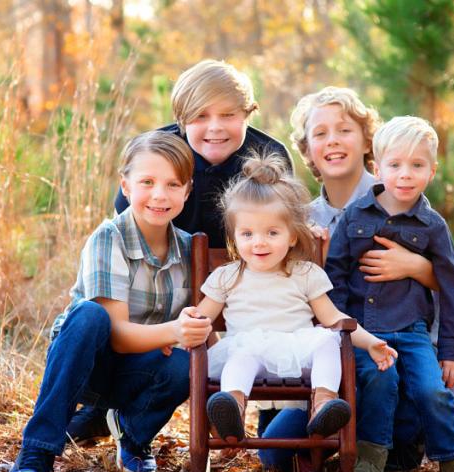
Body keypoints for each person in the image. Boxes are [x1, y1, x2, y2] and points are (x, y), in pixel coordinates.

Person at [69, 59, 293, 445]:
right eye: (201, 116)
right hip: (169, 280)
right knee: (132, 309)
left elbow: (285, 221)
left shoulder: (269, 153)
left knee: (279, 302)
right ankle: (110, 403)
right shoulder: (161, 152)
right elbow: (128, 233)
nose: (215, 127)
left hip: (245, 276)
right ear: (181, 118)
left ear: (248, 114)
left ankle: (272, 409)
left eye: (228, 115)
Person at [0, 131, 211, 472]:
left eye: (173, 184)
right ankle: (36, 457)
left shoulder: (192, 250)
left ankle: (132, 436)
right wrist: (173, 332)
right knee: (89, 316)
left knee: (183, 364)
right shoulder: (108, 238)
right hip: (85, 366)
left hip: (137, 374)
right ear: (125, 186)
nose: (160, 194)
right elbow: (115, 333)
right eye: (147, 182)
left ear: (187, 190)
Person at [259, 86, 440, 472]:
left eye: (344, 130)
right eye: (320, 134)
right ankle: (334, 427)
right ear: (307, 151)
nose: (333, 141)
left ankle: (385, 436)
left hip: (393, 361)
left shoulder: (400, 196)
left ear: (367, 142)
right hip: (331, 366)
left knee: (400, 455)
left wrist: (414, 266)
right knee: (275, 457)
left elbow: (449, 281)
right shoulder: (299, 221)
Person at [325, 115, 454, 472]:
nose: (405, 174)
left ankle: (451, 459)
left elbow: (452, 288)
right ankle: (370, 456)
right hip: (365, 330)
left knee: (433, 390)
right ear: (376, 167)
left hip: (413, 332)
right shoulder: (354, 217)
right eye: (395, 164)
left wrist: (453, 352)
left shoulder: (432, 225)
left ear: (432, 171)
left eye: (417, 165)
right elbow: (334, 279)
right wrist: (343, 334)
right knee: (381, 380)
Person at [194, 152, 396, 443]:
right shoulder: (227, 276)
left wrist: (371, 342)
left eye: (272, 232)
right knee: (240, 357)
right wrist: (174, 335)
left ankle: (324, 404)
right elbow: (200, 318)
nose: (259, 242)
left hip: (298, 350)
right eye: (247, 234)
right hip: (250, 347)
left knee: (329, 341)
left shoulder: (305, 272)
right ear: (234, 237)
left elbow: (334, 318)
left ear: (291, 236)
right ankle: (232, 411)